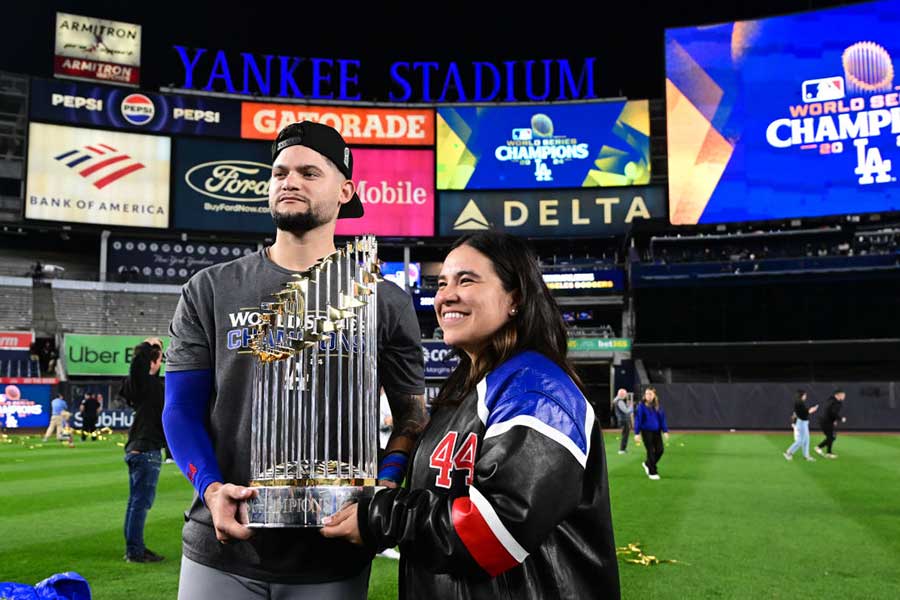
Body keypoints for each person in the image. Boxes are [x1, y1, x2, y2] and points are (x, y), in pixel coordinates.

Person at [162, 120, 428, 599]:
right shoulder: (211, 288)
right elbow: (180, 408)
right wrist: (211, 489)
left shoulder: (384, 300)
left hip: (332, 554)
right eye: (280, 171)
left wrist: (382, 490)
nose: (289, 181)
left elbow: (412, 414)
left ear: (346, 190)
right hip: (222, 546)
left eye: (309, 172)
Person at [321, 231, 620, 599]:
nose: (446, 296)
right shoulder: (469, 388)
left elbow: (495, 533)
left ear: (515, 298)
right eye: (442, 283)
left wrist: (378, 517)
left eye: (467, 280)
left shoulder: (537, 391)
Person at [120, 338, 167, 563]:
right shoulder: (147, 385)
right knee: (140, 504)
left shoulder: (140, 387)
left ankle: (135, 547)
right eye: (160, 358)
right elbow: (138, 367)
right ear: (153, 361)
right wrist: (148, 346)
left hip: (137, 448)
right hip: (147, 450)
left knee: (135, 503)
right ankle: (135, 552)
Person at [633, 387, 669, 480]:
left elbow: (662, 419)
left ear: (654, 395)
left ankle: (648, 464)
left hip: (657, 431)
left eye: (650, 394)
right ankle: (652, 472)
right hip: (646, 431)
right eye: (646, 394)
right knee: (650, 451)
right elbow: (638, 420)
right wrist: (637, 433)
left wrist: (665, 431)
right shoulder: (641, 406)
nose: (648, 396)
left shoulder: (658, 406)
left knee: (660, 450)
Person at [784, 390, 818, 462]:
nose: (806, 396)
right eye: (805, 395)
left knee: (806, 440)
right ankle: (788, 452)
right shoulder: (800, 403)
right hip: (801, 423)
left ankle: (806, 456)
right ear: (802, 395)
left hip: (802, 422)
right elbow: (805, 413)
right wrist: (812, 410)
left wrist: (810, 410)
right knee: (801, 441)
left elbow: (803, 412)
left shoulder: (799, 402)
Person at [816, 389, 847, 458]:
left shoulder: (835, 401)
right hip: (825, 422)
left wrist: (834, 420)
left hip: (828, 421)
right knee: (831, 437)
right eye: (843, 394)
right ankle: (819, 448)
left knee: (832, 437)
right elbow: (832, 413)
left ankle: (828, 452)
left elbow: (831, 412)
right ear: (838, 395)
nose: (844, 396)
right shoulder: (834, 402)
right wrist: (840, 419)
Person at [613, 388, 633, 454]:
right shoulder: (620, 401)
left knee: (625, 434)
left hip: (621, 419)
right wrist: (631, 407)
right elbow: (626, 411)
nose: (626, 395)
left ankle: (623, 449)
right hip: (623, 420)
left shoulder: (616, 400)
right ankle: (622, 449)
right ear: (622, 394)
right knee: (625, 435)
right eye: (625, 394)